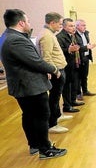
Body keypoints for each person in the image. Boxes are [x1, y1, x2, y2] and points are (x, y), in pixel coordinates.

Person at [0, 9, 67, 159]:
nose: (30, 24)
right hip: (30, 86)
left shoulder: (7, 36)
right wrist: (54, 69)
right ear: (21, 22)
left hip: (24, 85)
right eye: (28, 21)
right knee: (41, 116)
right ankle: (45, 149)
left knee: (29, 115)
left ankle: (35, 144)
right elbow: (35, 61)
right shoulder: (16, 39)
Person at [37, 12, 72, 134]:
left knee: (56, 97)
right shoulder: (46, 36)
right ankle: (52, 124)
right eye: (59, 23)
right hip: (56, 71)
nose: (61, 26)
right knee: (54, 98)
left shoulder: (49, 34)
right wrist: (55, 71)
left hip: (59, 70)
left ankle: (57, 115)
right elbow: (46, 57)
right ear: (52, 22)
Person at [56, 18, 84, 113]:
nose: (73, 28)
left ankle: (72, 101)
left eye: (74, 26)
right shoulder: (60, 37)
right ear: (64, 26)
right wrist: (69, 50)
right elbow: (58, 52)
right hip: (66, 65)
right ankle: (67, 106)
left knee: (73, 84)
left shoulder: (72, 35)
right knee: (67, 86)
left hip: (73, 63)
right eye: (70, 26)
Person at [75, 19, 96, 100]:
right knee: (78, 77)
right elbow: (77, 48)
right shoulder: (75, 35)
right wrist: (86, 47)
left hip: (86, 57)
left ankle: (85, 90)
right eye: (83, 25)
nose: (85, 27)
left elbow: (86, 44)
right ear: (77, 26)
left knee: (85, 76)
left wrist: (89, 46)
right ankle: (78, 93)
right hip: (79, 58)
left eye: (85, 25)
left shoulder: (86, 33)